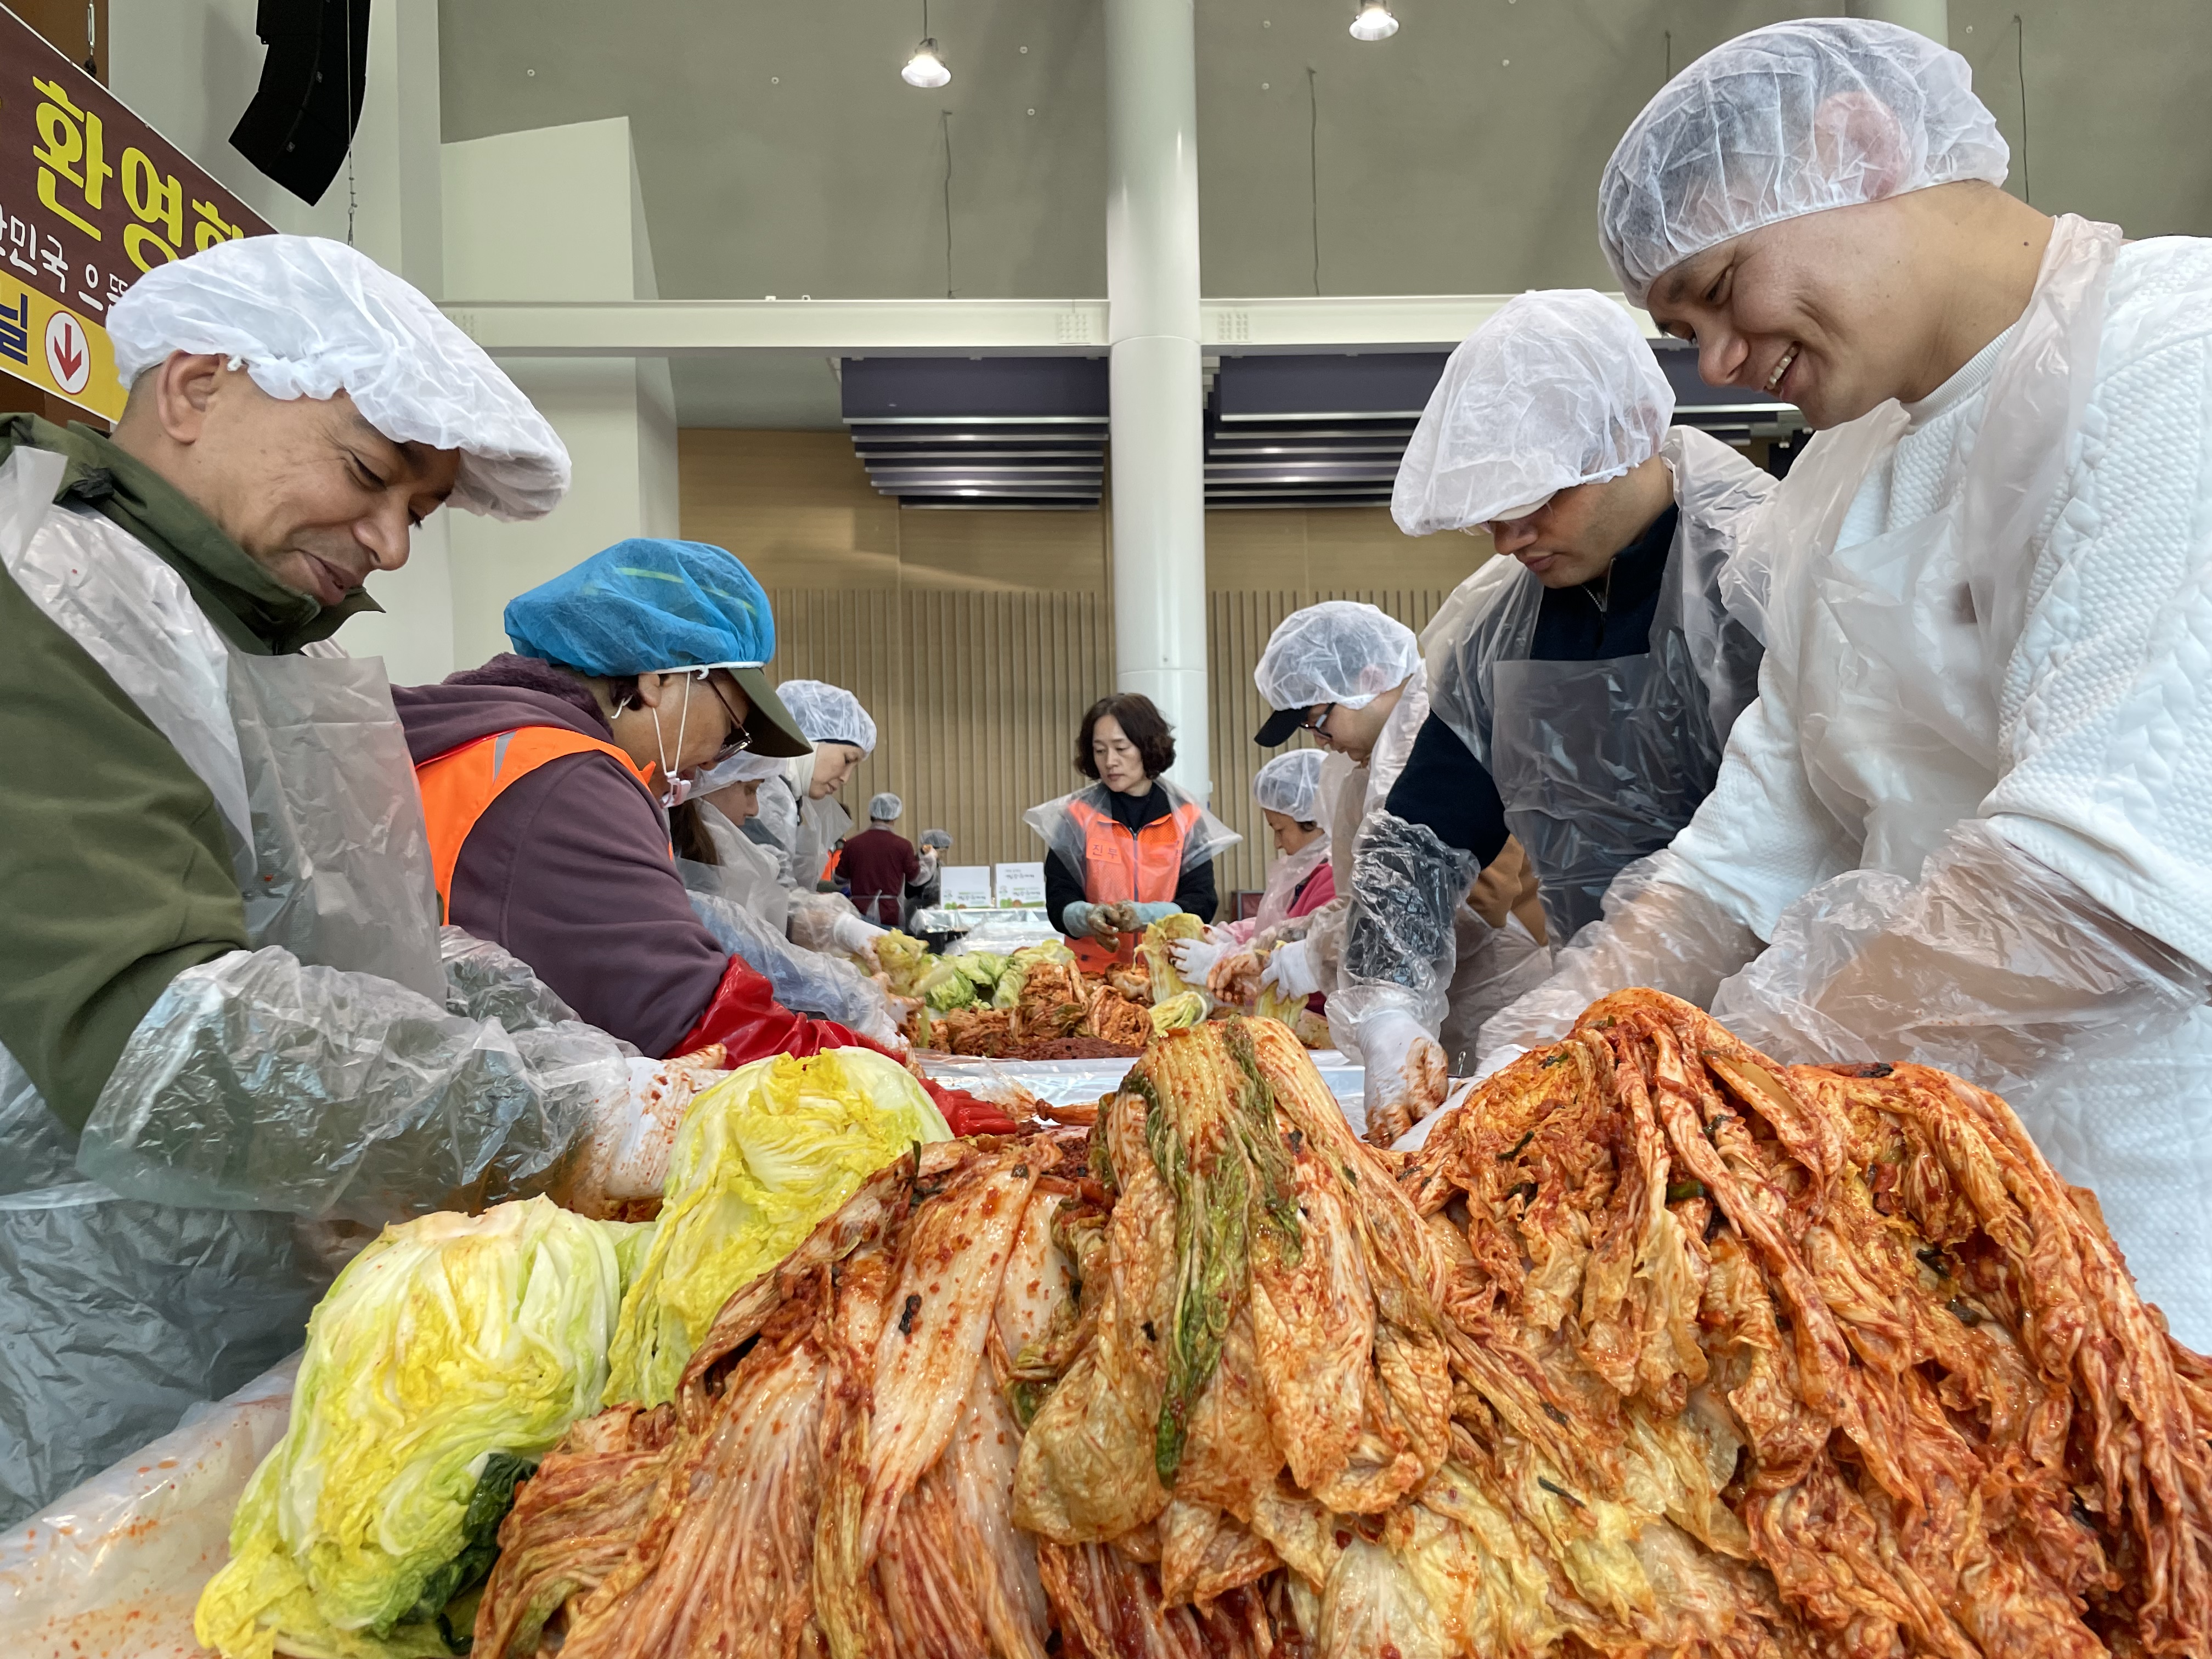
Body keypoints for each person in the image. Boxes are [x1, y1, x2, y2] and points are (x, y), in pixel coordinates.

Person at [1482, 18, 2212, 1344]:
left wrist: (1733, 1103)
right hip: (1910, 1209)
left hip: (2153, 1210)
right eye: (1683, 329)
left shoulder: (2173, 354)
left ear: (1860, 149)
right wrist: (1570, 1034)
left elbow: (2096, 886)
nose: (1716, 362)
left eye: (1721, 289)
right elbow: (1765, 826)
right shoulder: (1842, 473)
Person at [0, 234, 615, 1520]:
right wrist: (562, 1116)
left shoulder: (265, 640)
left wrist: (557, 1042)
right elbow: (159, 1034)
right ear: (196, 387)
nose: (392, 546)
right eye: (370, 475)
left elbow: (352, 945)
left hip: (237, 1348)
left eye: (419, 513)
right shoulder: (47, 593)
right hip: (59, 1371)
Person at [1350, 287, 1778, 1141]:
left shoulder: (1762, 572)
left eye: (1537, 500)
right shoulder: (1500, 629)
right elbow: (1419, 838)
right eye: (1491, 514)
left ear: (1623, 439)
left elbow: (1789, 842)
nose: (1509, 539)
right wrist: (1390, 1001)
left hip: (1781, 1046)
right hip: (1598, 1065)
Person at [396, 538, 900, 1058]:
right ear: (658, 678)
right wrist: (876, 1065)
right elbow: (689, 1018)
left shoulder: (479, 734)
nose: (716, 762)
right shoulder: (570, 778)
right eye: (732, 729)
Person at [1226, 603, 1550, 1134]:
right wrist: (1305, 945)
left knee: (1501, 1134)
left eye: (1319, 720)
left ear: (1370, 680)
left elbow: (1473, 902)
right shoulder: (1368, 766)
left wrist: (1323, 956)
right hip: (1437, 1005)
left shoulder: (1443, 737)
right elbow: (1366, 898)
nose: (1319, 740)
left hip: (1500, 992)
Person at [1028, 693, 1239, 972]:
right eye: (1100, 751)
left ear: (1146, 747)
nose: (1110, 761)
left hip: (1166, 973)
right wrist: (1088, 916)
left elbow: (1202, 902)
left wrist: (1146, 916)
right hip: (1093, 976)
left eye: (1121, 748)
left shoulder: (1185, 818)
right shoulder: (1077, 817)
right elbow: (1058, 901)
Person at [1176, 749, 1336, 973]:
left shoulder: (1334, 879)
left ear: (1315, 821)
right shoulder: (1308, 874)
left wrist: (1224, 958)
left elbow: (1304, 952)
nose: (1277, 843)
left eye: (1280, 830)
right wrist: (1233, 935)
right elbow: (1282, 927)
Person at [754, 679, 874, 894]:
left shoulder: (789, 800)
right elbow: (768, 892)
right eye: (848, 760)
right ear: (810, 738)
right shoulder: (764, 794)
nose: (846, 778)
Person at [843, 793, 921, 927]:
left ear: (871, 814)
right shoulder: (903, 845)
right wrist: (929, 860)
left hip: (858, 912)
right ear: (895, 816)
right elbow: (915, 879)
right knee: (893, 941)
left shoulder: (852, 844)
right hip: (890, 913)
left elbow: (839, 879)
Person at [908, 827, 952, 916]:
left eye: (945, 852)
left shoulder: (938, 863)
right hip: (917, 908)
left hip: (932, 907)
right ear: (931, 849)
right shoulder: (918, 864)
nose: (943, 855)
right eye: (942, 852)